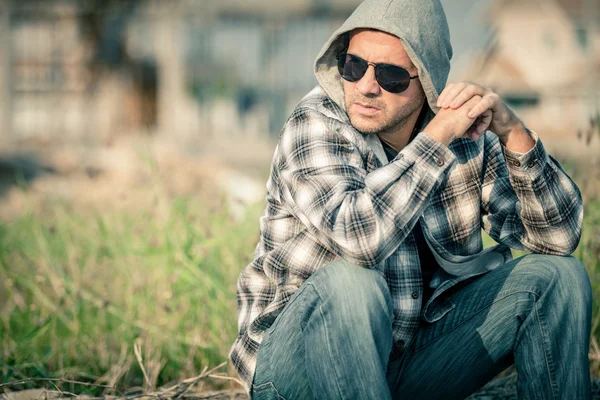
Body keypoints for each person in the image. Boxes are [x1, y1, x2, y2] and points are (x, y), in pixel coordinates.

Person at [229, 0, 593, 398]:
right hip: (295, 369)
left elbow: (557, 239)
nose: (366, 86)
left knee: (559, 276)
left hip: (410, 361)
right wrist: (433, 141)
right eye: (354, 66)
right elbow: (358, 240)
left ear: (429, 83)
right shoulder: (316, 122)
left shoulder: (467, 140)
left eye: (391, 75)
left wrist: (513, 133)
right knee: (352, 282)